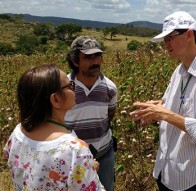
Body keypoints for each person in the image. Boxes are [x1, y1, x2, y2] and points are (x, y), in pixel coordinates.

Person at [130, 11, 196, 191]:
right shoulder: (179, 70)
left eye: (170, 38)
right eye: (164, 40)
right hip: (165, 168)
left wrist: (164, 113)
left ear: (189, 34)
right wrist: (156, 108)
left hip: (188, 176)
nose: (166, 45)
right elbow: (172, 106)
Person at [4, 64, 104, 191]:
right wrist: (88, 169)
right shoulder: (75, 149)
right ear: (55, 99)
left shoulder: (18, 133)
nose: (75, 89)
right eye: (70, 86)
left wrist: (83, 169)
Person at [65, 36, 117, 191]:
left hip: (104, 154)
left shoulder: (110, 88)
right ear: (75, 61)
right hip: (72, 158)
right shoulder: (65, 88)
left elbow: (110, 115)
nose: (95, 62)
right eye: (88, 57)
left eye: (97, 56)